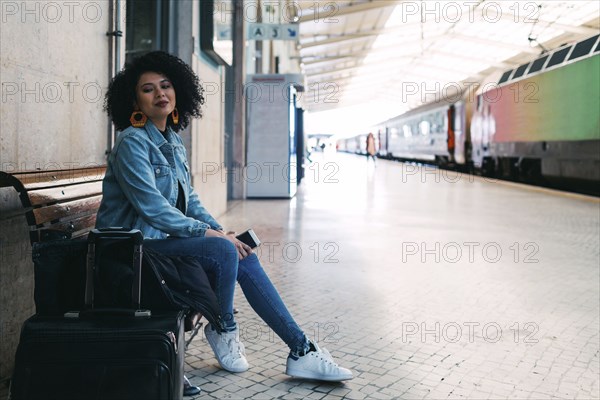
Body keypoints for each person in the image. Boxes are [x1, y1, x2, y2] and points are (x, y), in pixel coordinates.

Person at [96, 51, 353, 392]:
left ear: (178, 92)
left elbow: (192, 201)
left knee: (241, 251)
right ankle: (223, 325)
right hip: (132, 249)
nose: (160, 94)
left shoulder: (173, 142)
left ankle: (300, 348)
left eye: (166, 85)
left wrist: (220, 231)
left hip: (158, 245)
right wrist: (212, 236)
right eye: (148, 89)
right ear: (134, 100)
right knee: (223, 250)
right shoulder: (131, 142)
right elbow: (153, 208)